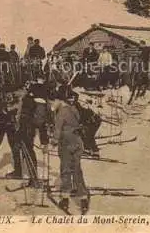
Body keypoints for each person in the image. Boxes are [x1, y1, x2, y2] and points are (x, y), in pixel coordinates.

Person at [52, 86, 89, 215]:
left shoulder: (62, 111)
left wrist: (53, 142)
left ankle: (65, 199)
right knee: (77, 170)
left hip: (66, 143)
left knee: (66, 170)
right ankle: (83, 198)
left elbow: (57, 129)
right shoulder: (74, 109)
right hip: (77, 142)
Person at [9, 78, 50, 183]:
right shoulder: (40, 102)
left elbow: (23, 115)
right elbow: (42, 122)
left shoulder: (27, 99)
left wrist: (18, 128)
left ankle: (22, 174)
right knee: (28, 151)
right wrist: (44, 141)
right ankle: (32, 176)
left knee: (19, 149)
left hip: (24, 129)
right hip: (30, 130)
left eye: (16, 92)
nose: (15, 94)